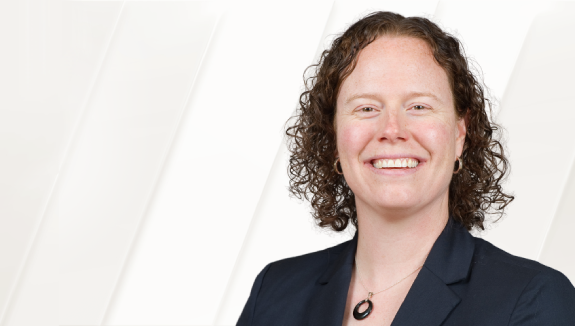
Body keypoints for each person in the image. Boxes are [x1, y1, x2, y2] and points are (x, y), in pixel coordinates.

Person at [236, 11, 575, 326]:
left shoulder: (534, 299)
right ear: (334, 135)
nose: (392, 128)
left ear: (459, 133)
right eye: (367, 107)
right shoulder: (273, 293)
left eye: (419, 106)